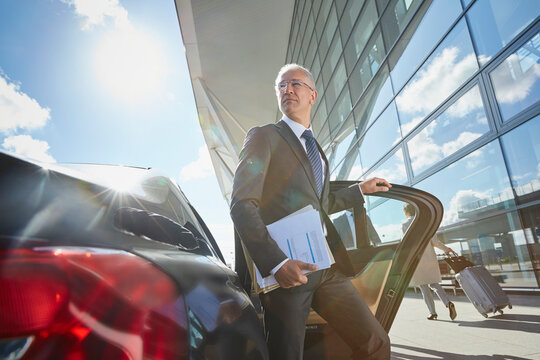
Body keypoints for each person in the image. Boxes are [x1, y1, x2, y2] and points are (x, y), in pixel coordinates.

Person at [230, 63, 392, 360]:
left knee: (375, 342)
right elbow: (242, 204)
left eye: (294, 84)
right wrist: (277, 263)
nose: (287, 89)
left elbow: (320, 205)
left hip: (326, 267)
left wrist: (360, 190)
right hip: (286, 271)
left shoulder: (317, 150)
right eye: (281, 85)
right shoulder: (264, 136)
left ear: (312, 95)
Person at [402, 203, 458, 321]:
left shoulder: (405, 225)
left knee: (424, 287)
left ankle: (432, 313)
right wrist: (447, 250)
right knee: (434, 284)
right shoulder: (427, 223)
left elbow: (407, 244)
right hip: (430, 259)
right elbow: (435, 242)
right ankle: (448, 303)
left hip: (417, 261)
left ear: (406, 212)